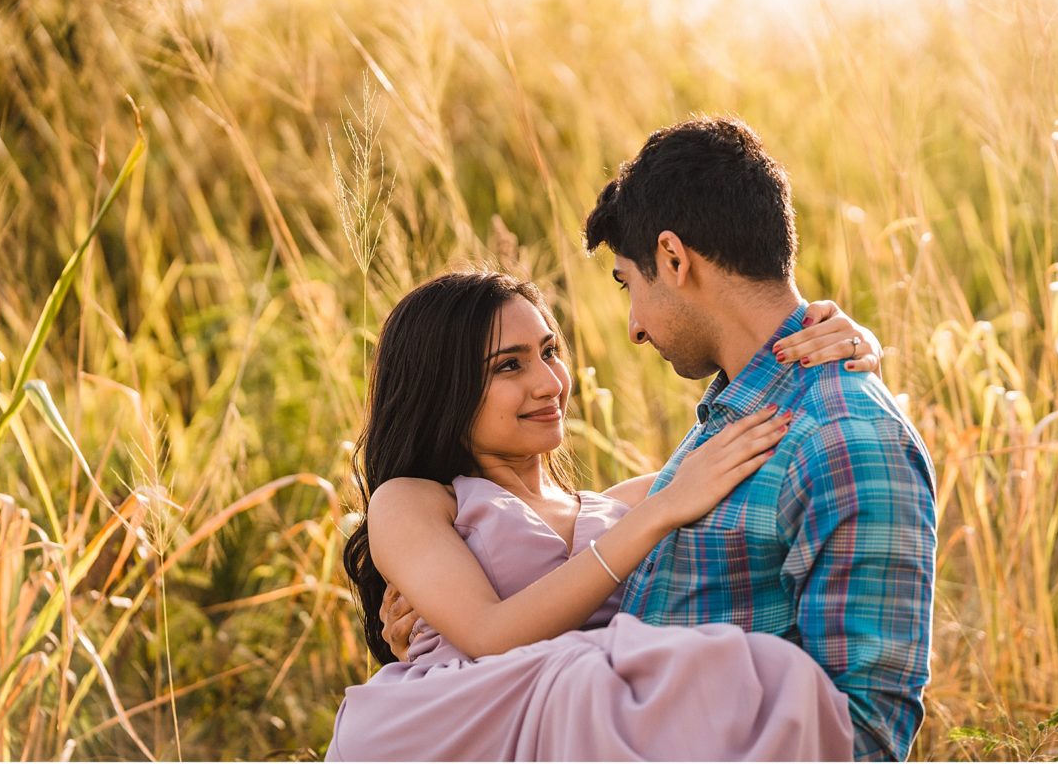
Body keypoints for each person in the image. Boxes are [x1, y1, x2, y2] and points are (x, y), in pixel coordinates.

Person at [328, 264, 877, 761]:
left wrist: (852, 350)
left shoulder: (629, 503)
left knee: (755, 676)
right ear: (442, 389)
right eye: (509, 366)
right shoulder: (413, 500)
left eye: (549, 352)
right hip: (457, 730)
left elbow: (786, 436)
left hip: (595, 731)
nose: (549, 384)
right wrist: (658, 513)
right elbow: (488, 634)